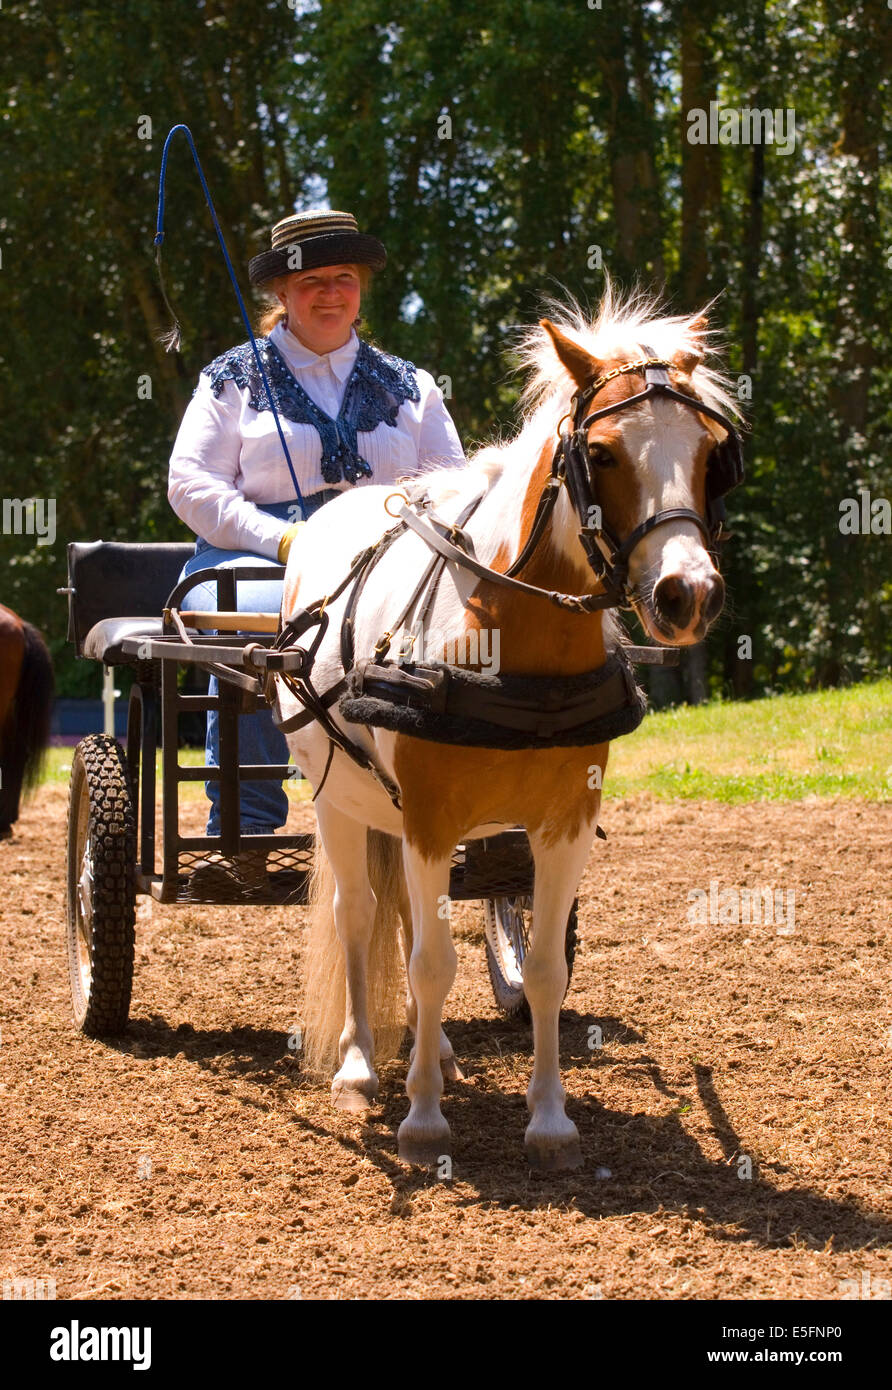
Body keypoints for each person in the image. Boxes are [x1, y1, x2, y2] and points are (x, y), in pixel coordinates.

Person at [168, 209, 466, 892]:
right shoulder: (232, 378)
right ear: (281, 292)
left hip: (389, 561)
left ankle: (436, 797)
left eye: (344, 278)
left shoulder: (411, 387)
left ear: (361, 285)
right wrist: (282, 537)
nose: (330, 293)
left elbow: (452, 485)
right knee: (273, 625)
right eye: (311, 282)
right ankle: (242, 831)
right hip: (261, 554)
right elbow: (190, 484)